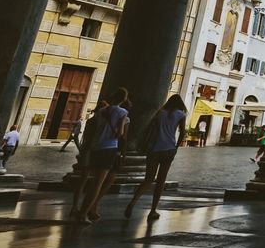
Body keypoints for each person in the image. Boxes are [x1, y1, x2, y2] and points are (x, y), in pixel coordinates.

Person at [125, 94, 187, 222]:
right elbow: (182, 132)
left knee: (148, 179)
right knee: (160, 181)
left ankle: (133, 202)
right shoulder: (181, 115)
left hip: (154, 149)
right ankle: (153, 210)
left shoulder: (160, 113)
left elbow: (151, 129)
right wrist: (176, 146)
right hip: (169, 149)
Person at [80, 87, 131, 223]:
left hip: (96, 147)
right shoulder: (122, 112)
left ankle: (84, 210)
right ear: (124, 99)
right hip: (109, 148)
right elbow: (120, 134)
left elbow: (94, 127)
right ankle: (83, 213)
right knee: (98, 184)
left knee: (93, 182)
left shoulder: (101, 111)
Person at [69, 99, 109, 219]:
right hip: (94, 151)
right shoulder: (99, 122)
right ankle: (85, 209)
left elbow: (86, 137)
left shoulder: (92, 121)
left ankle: (76, 207)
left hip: (87, 150)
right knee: (94, 181)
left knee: (84, 180)